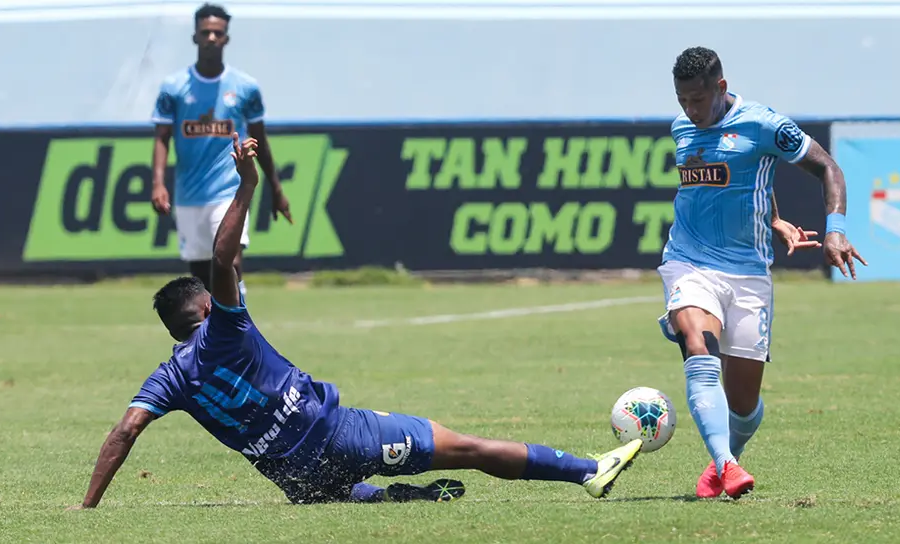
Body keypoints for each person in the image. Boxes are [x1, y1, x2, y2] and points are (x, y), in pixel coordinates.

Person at [71, 134, 644, 509]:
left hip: (290, 476)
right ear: (202, 310)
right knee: (466, 446)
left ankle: (387, 496)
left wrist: (88, 505)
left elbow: (125, 432)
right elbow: (222, 259)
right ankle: (586, 470)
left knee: (340, 489)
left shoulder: (168, 378)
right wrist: (248, 184)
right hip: (337, 435)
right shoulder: (225, 326)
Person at [657, 46, 867, 499]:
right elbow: (721, 182)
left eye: (697, 99)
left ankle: (726, 456)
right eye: (681, 101)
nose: (690, 111)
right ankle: (727, 465)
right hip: (688, 261)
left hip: (748, 273)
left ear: (721, 88)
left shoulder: (763, 124)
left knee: (744, 405)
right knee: (699, 344)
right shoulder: (681, 128)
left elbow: (827, 167)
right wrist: (771, 214)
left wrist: (835, 230)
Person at [150, 3, 292, 299]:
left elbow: (261, 141)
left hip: (229, 191)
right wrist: (158, 183)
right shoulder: (174, 88)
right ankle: (212, 339)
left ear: (226, 38)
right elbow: (162, 137)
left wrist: (276, 189)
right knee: (201, 277)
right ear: (195, 37)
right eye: (206, 32)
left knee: (230, 262)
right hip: (190, 195)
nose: (212, 38)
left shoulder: (245, 87)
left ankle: (241, 331)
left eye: (218, 33)